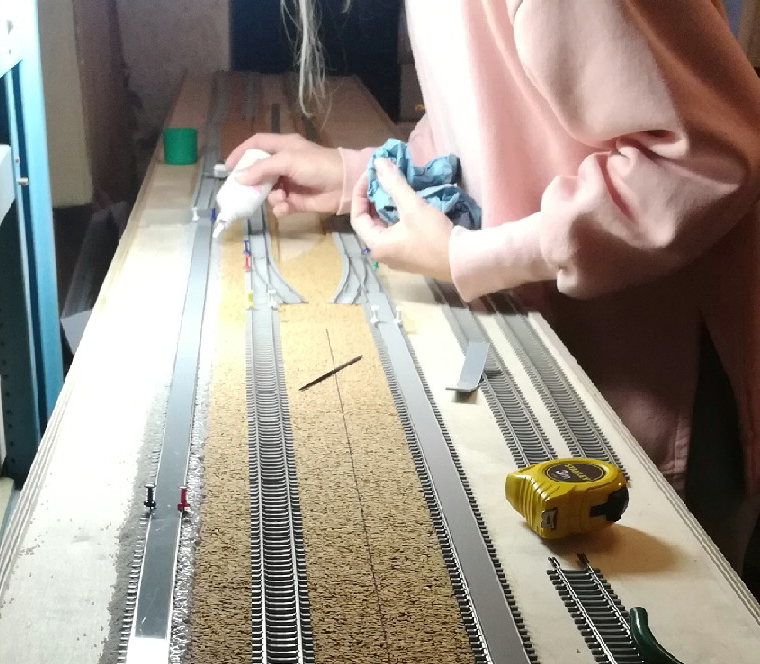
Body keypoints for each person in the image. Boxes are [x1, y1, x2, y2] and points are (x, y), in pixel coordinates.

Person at [226, 0, 760, 572]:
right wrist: (357, 176)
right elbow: (479, 125)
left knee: (665, 587)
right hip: (552, 337)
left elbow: (704, 162)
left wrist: (470, 255)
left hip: (662, 370)